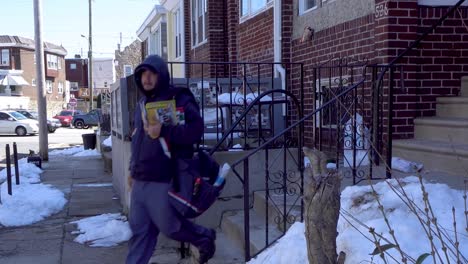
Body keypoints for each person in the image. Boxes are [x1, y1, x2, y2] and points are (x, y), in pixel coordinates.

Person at [126, 54, 216, 264]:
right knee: (140, 232)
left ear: (162, 75)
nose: (146, 78)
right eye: (142, 74)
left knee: (171, 227)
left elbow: (195, 130)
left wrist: (164, 130)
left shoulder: (179, 98)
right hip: (140, 179)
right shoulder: (142, 104)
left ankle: (204, 238)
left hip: (164, 177)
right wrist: (131, 170)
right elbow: (137, 140)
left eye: (152, 73)